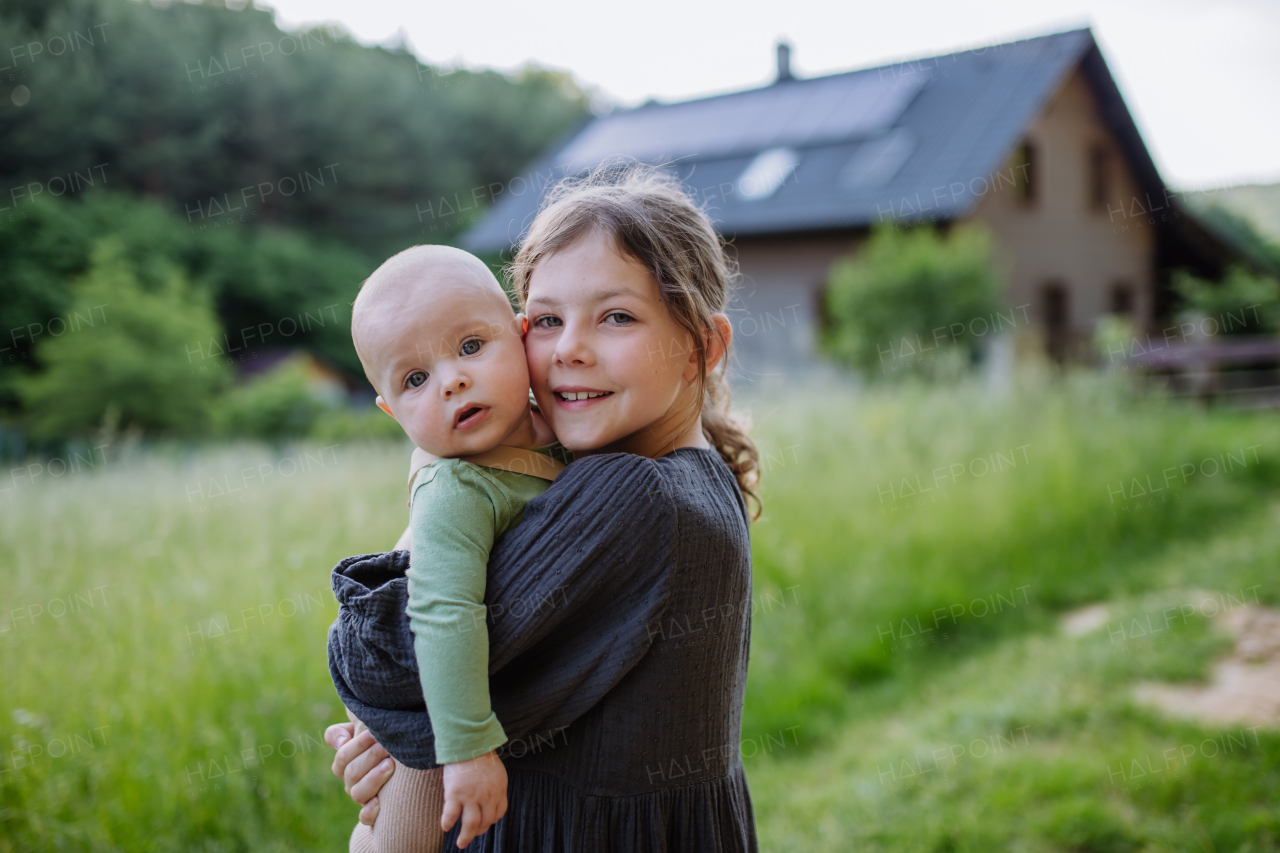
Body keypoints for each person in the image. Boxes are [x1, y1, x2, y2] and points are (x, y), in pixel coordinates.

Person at [327, 166, 762, 851]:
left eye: (616, 316)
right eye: (548, 320)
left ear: (701, 347)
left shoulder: (632, 496)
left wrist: (381, 733)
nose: (568, 350)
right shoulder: (696, 481)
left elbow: (393, 666)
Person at [343, 244, 565, 852]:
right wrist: (468, 749)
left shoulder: (562, 429)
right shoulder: (456, 487)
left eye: (470, 346)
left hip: (461, 687)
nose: (452, 380)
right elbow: (443, 612)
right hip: (423, 703)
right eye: (416, 379)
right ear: (392, 412)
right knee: (404, 838)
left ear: (521, 338)